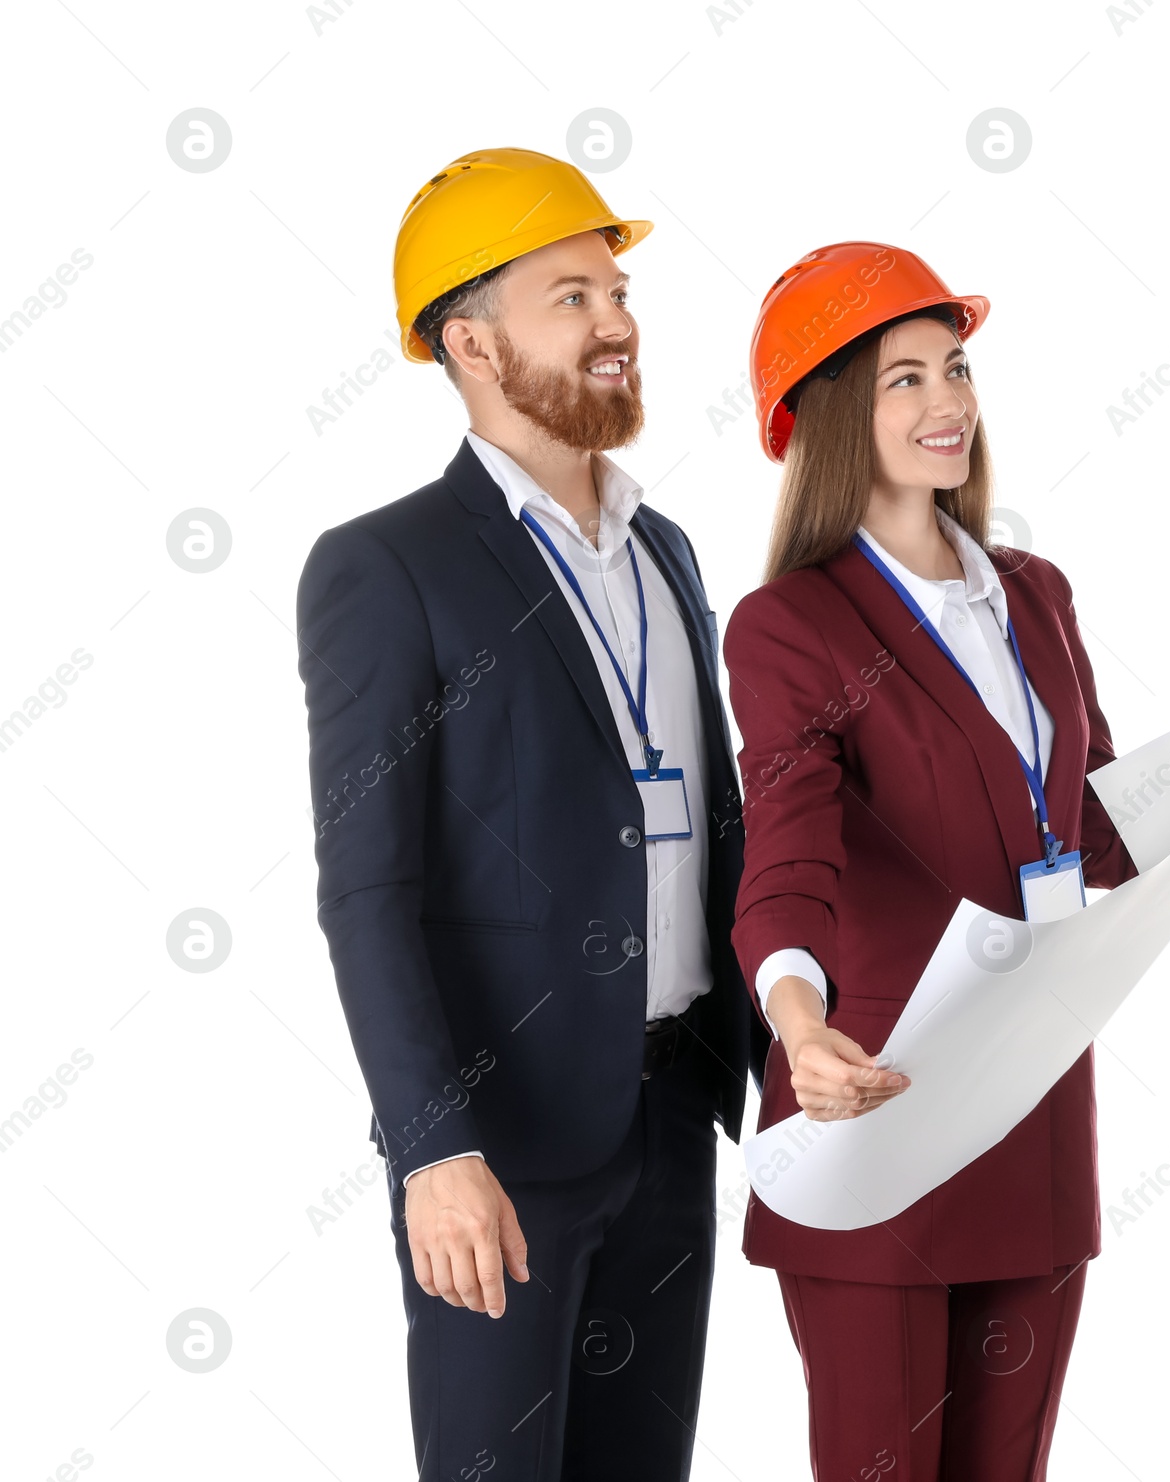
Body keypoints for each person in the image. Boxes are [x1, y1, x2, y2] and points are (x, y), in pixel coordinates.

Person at [723, 240, 1170, 1480]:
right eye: (904, 378)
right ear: (836, 413)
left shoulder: (1035, 593)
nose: (948, 401)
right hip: (880, 1106)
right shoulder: (791, 623)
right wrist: (797, 1025)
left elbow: (1092, 829)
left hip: (1035, 1108)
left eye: (954, 368)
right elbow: (784, 853)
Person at [296, 148, 764, 1482]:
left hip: (675, 1111)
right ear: (472, 341)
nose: (616, 321)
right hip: (502, 1147)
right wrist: (432, 1144)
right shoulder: (386, 566)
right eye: (571, 296)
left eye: (617, 291)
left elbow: (712, 824)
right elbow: (366, 891)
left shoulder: (666, 546)